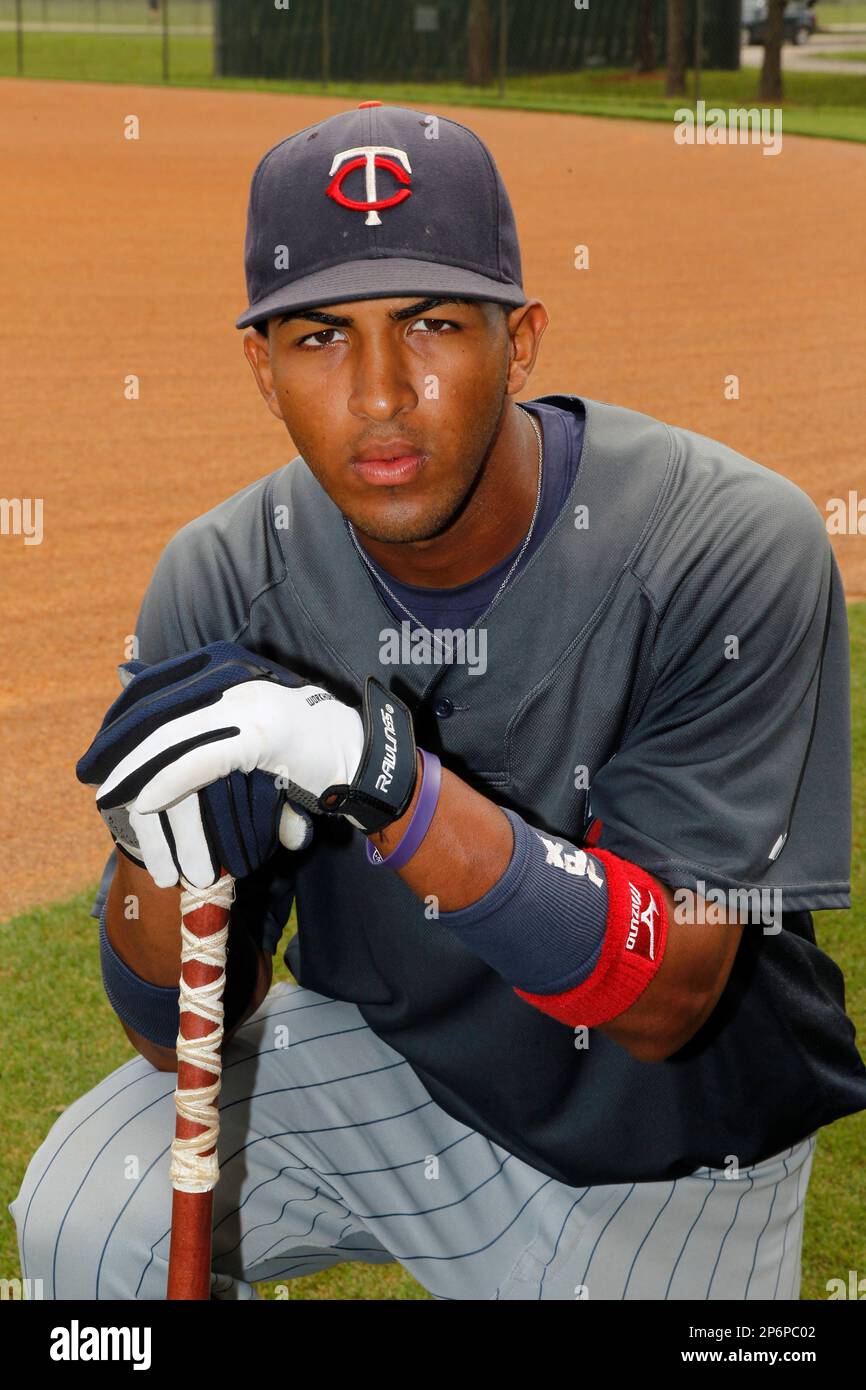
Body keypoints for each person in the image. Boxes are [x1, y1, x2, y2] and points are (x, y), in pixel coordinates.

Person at [11, 102, 866, 1301]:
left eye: (429, 323)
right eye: (317, 337)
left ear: (520, 341)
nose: (377, 392)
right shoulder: (221, 578)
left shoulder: (720, 546)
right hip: (390, 1073)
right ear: (261, 367)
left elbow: (665, 997)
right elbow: (174, 1029)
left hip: (668, 1146)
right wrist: (164, 868)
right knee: (86, 1211)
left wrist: (383, 779)